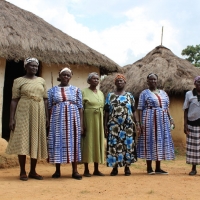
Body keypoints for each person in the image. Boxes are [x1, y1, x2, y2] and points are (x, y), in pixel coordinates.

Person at [6, 57, 49, 181]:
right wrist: (11, 119)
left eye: (36, 66)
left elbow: (45, 99)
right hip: (23, 112)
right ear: (25, 67)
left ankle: (33, 171)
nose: (34, 68)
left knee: (35, 139)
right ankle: (23, 171)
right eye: (32, 66)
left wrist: (46, 116)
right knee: (23, 140)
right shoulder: (18, 81)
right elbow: (14, 100)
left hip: (39, 112)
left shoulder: (41, 80)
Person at [47, 67, 83, 180]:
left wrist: (81, 124)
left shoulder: (76, 90)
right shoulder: (52, 91)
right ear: (60, 76)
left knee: (74, 142)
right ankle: (57, 171)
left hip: (73, 119)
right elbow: (48, 107)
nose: (66, 77)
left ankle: (75, 171)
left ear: (70, 77)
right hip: (57, 120)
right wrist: (48, 120)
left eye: (68, 75)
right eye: (64, 75)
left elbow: (81, 108)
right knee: (58, 141)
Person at [137, 73, 175, 175]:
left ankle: (158, 168)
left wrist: (170, 119)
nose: (153, 81)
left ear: (157, 81)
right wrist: (140, 123)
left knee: (160, 142)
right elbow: (140, 109)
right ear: (147, 81)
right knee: (149, 141)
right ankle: (149, 168)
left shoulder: (164, 93)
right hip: (148, 120)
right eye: (151, 79)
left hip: (162, 121)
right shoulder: (144, 93)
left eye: (154, 79)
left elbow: (166, 108)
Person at [104, 74, 138, 176]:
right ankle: (115, 168)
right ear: (115, 83)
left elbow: (134, 111)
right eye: (117, 81)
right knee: (114, 145)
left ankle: (127, 168)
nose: (119, 82)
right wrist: (105, 125)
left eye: (121, 81)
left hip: (127, 126)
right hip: (114, 126)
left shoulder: (129, 96)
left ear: (125, 82)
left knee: (127, 146)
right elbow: (106, 112)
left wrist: (137, 123)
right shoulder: (110, 96)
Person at [81, 72, 105, 177]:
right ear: (89, 81)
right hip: (88, 119)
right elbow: (81, 108)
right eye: (93, 79)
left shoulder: (101, 93)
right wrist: (82, 124)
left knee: (97, 142)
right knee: (88, 142)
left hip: (99, 120)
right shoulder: (83, 92)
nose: (96, 80)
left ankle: (96, 169)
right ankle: (86, 169)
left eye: (97, 79)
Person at [183, 76, 200, 176]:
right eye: (198, 82)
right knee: (193, 147)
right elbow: (185, 110)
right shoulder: (189, 94)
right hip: (192, 124)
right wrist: (185, 125)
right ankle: (193, 168)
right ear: (195, 83)